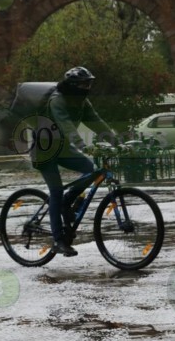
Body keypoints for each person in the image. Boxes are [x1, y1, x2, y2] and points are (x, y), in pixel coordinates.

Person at [32, 66, 116, 257]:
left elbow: (97, 122)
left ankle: (67, 202)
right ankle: (58, 240)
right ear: (73, 86)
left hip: (64, 149)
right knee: (56, 191)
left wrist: (117, 141)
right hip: (45, 150)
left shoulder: (82, 102)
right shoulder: (57, 101)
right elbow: (67, 126)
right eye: (84, 84)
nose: (88, 87)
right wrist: (82, 145)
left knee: (91, 170)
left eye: (89, 83)